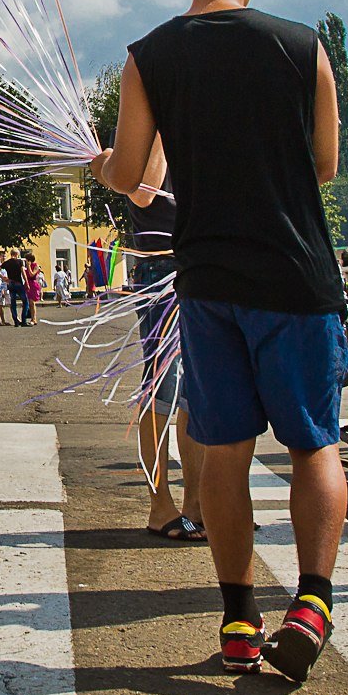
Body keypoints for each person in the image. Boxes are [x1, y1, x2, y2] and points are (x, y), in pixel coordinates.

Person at [92, 0, 344, 682]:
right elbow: (327, 164)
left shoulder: (149, 56)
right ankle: (312, 601)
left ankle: (238, 617)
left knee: (223, 451)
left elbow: (136, 175)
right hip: (297, 274)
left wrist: (106, 163)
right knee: (313, 443)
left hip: (206, 281)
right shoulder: (304, 46)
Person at [118, 165, 207, 545]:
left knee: (197, 392)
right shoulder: (147, 120)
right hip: (162, 267)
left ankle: (198, 505)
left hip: (204, 261)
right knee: (162, 388)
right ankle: (160, 506)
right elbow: (142, 192)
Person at [0, 251, 28, 327]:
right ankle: (24, 321)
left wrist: (3, 278)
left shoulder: (7, 263)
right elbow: (23, 272)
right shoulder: (19, 261)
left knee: (13, 303)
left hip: (11, 283)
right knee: (25, 302)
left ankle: (16, 321)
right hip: (18, 283)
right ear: (17, 254)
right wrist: (26, 282)